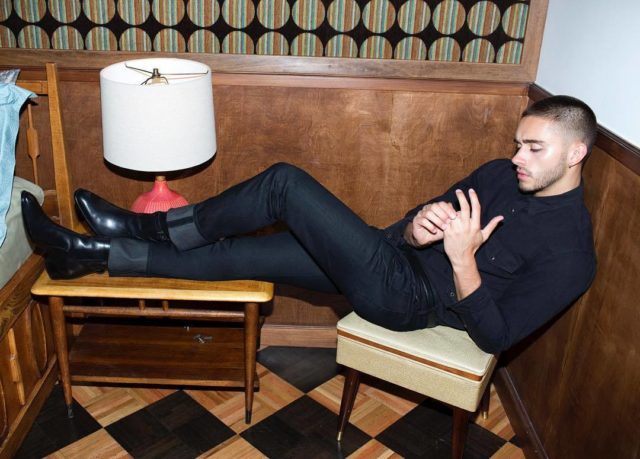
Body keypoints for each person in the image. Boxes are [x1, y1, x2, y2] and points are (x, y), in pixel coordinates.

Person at [21, 95, 597, 354]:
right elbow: (418, 218)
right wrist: (417, 227)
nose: (517, 158)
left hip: (410, 301)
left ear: (576, 154)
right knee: (238, 256)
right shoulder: (500, 173)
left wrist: (463, 260)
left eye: (534, 148)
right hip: (388, 254)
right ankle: (90, 256)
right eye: (518, 143)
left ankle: (149, 228)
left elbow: (496, 337)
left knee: (284, 183)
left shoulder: (571, 255)